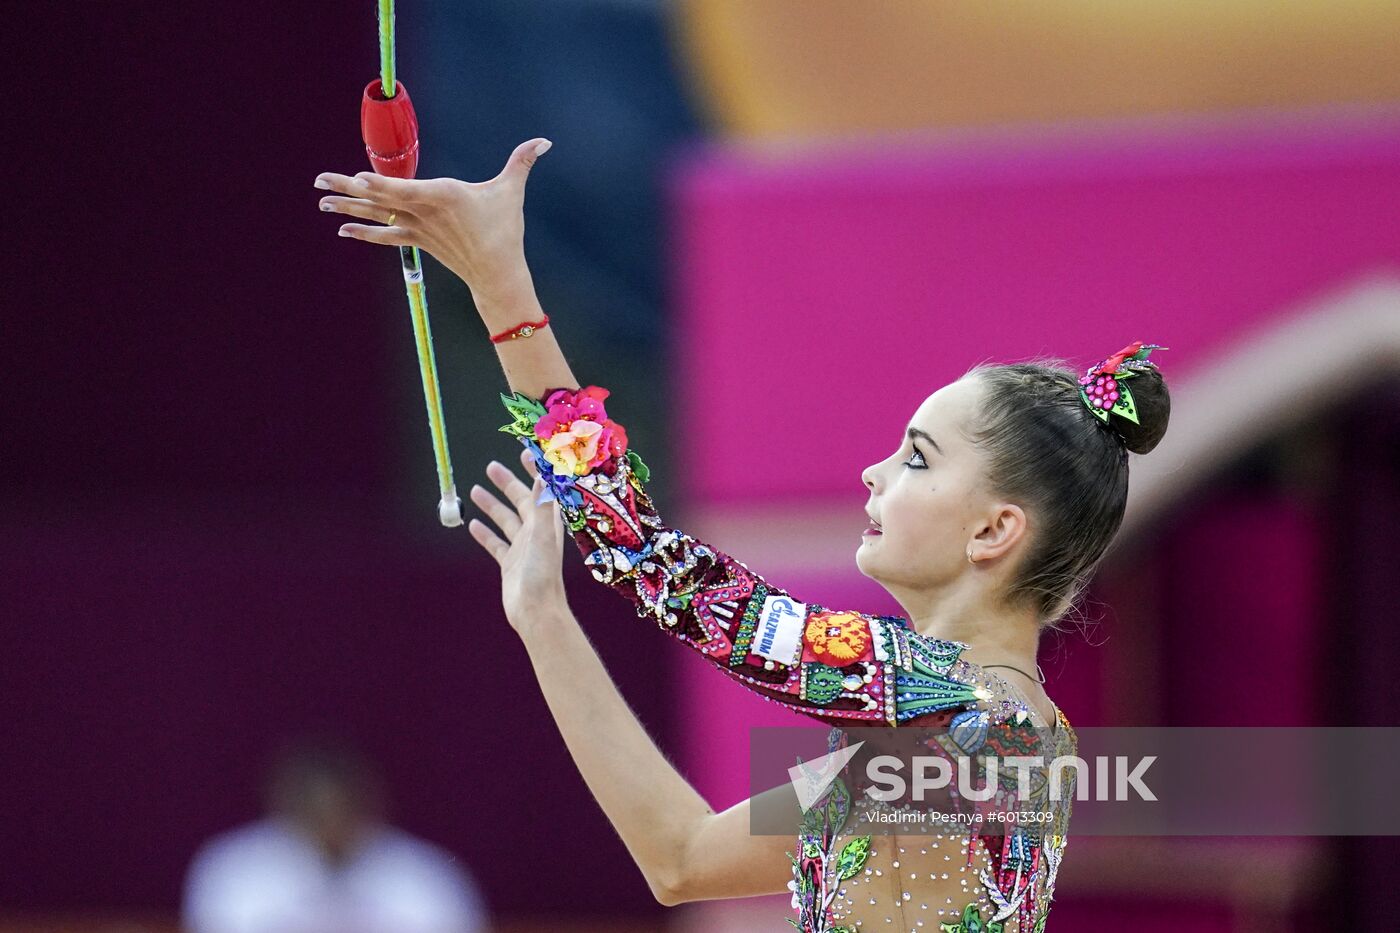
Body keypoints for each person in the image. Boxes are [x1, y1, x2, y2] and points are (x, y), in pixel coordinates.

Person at [313, 139, 1171, 931]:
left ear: (994, 529)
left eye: (916, 458)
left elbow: (654, 562)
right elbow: (678, 857)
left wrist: (502, 286)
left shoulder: (945, 705)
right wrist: (544, 616)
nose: (874, 473)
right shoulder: (981, 741)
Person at [182, 736, 489, 933]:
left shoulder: (424, 874)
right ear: (285, 805)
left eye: (341, 809)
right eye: (315, 811)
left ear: (369, 804)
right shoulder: (232, 869)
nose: (330, 825)